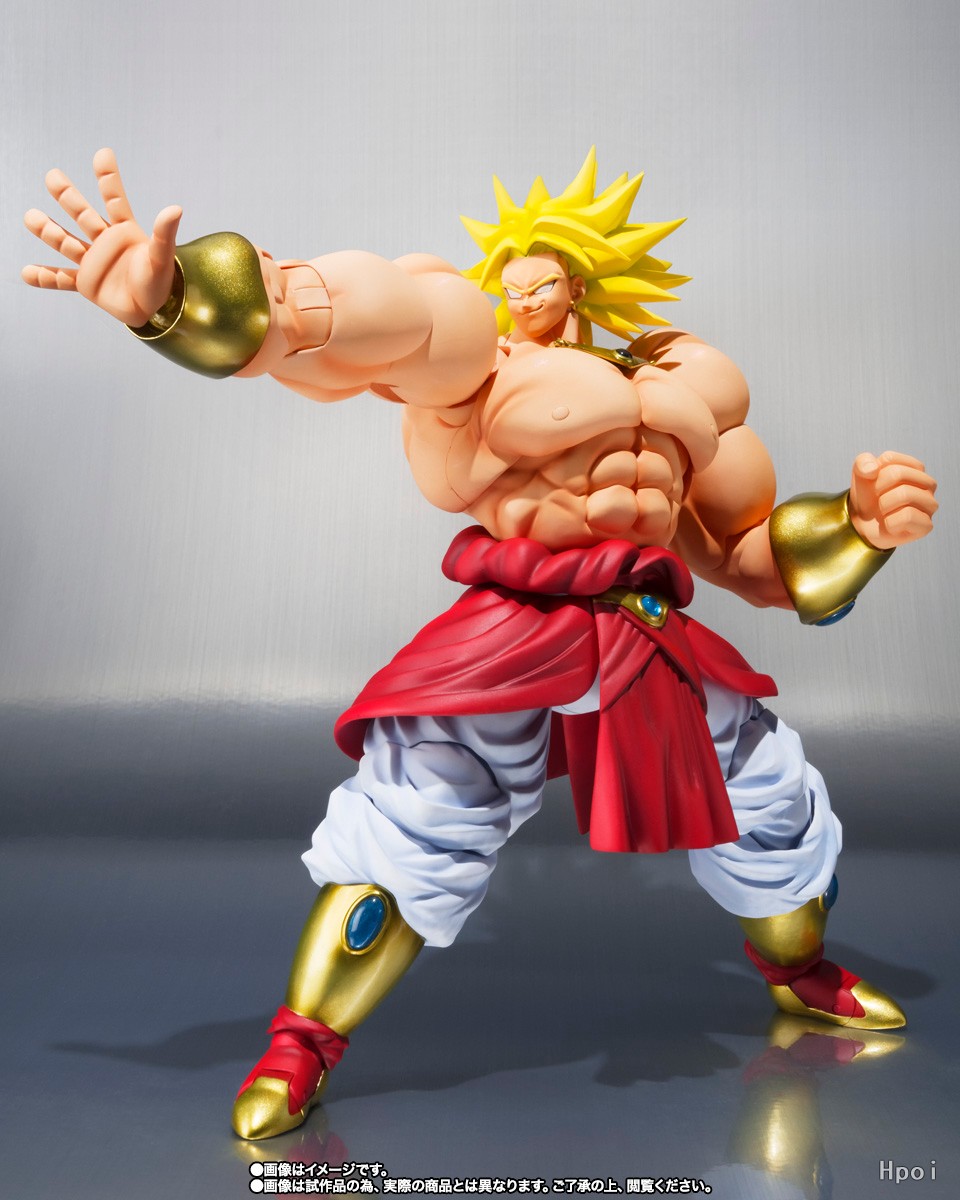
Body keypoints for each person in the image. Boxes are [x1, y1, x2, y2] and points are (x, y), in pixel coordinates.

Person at [23, 148, 937, 1141]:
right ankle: (301, 1044)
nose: (524, 293)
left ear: (584, 283)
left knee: (770, 796)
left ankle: (800, 969)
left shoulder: (685, 387)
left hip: (643, 627)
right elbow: (369, 317)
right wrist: (190, 303)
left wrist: (859, 530)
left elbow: (753, 559)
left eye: (546, 277)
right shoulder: (479, 361)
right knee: (414, 821)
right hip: (516, 628)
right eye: (514, 276)